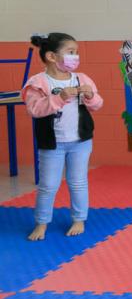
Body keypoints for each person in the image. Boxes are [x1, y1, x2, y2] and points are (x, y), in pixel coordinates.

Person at [22, 33, 104, 241]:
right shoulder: (38, 82)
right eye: (70, 52)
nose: (75, 57)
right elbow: (35, 109)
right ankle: (41, 223)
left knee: (78, 181)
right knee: (48, 184)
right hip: (52, 144)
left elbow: (97, 105)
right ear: (51, 56)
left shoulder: (82, 78)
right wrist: (60, 97)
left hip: (81, 141)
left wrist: (91, 96)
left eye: (76, 52)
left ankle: (79, 219)